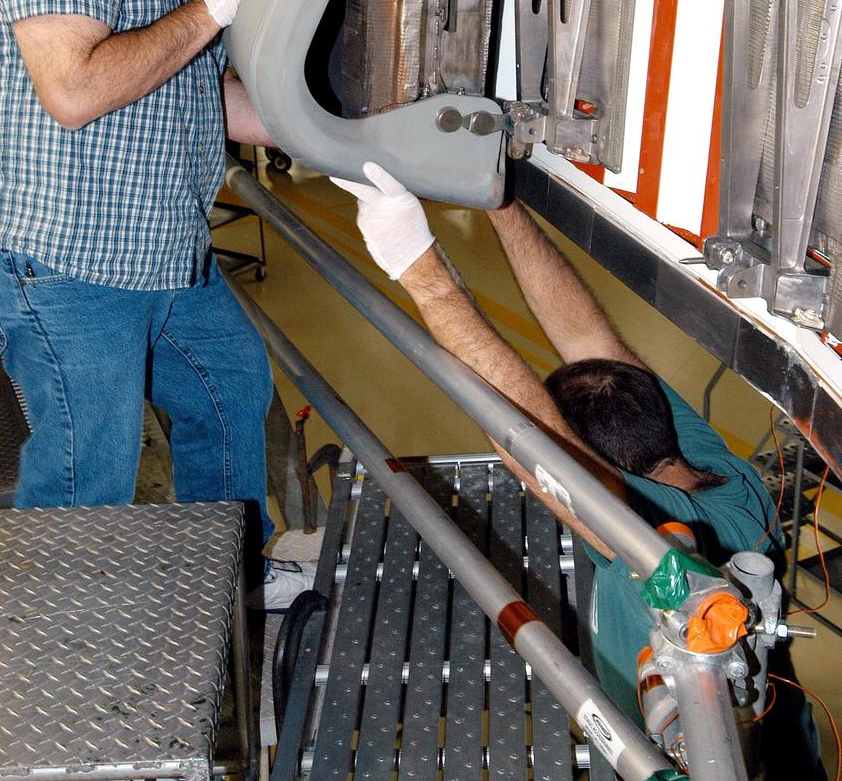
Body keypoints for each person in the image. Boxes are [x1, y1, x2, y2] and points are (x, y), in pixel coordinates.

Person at [333, 162, 826, 778]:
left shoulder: (653, 554)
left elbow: (548, 457)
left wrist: (420, 268)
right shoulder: (715, 468)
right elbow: (591, 343)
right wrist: (497, 200)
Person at [0, 0, 312, 609]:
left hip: (164, 250)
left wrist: (337, 138)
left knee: (231, 387)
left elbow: (191, 91)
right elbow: (77, 88)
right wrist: (215, 3)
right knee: (83, 468)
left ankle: (222, 590)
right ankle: (56, 666)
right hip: (68, 259)